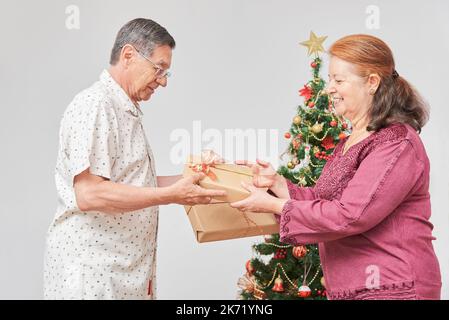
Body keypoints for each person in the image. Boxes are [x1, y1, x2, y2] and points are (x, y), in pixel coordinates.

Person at [230, 34, 442, 300]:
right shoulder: (352, 140)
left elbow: (350, 214)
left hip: (393, 288)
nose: (329, 88)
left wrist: (275, 205)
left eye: (339, 80)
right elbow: (325, 203)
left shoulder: (396, 143)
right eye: (330, 79)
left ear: (372, 82)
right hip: (352, 289)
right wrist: (278, 185)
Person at [43, 18, 225, 300]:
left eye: (166, 73)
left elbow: (137, 182)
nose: (163, 81)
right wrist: (171, 195)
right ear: (128, 56)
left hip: (122, 274)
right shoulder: (96, 105)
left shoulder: (124, 109)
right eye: (159, 69)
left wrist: (194, 179)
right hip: (95, 276)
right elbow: (90, 193)